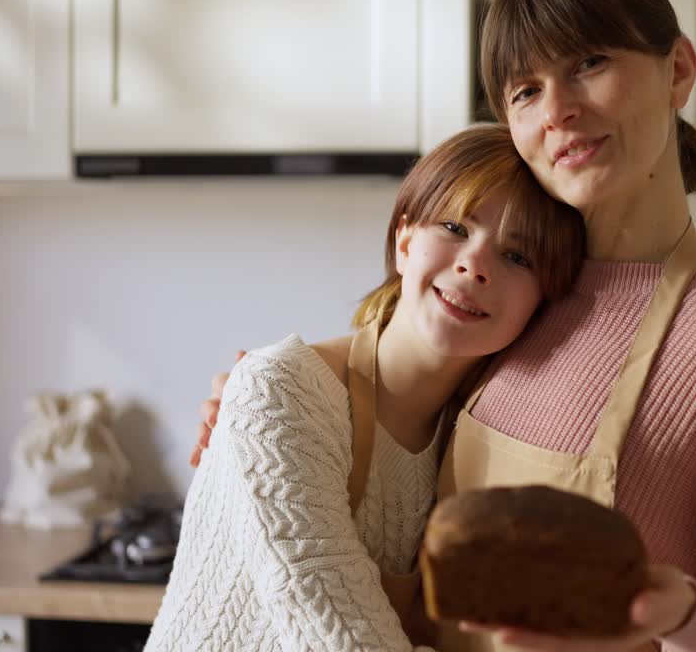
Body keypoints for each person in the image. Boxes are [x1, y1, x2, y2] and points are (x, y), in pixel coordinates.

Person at [195, 0, 696, 652]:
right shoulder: (519, 302)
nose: (559, 111)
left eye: (590, 62)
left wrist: (684, 615)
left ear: (680, 70)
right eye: (524, 91)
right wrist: (264, 404)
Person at [149, 125, 586, 652]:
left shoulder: (475, 433)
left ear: (545, 300)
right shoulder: (281, 390)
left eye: (518, 257)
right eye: (454, 227)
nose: (475, 265)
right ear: (404, 242)